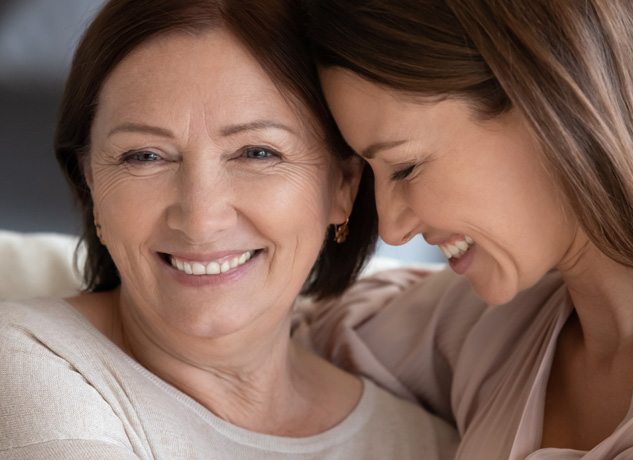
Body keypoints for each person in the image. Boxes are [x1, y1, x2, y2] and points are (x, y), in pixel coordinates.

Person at [0, 0, 460, 458]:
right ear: (91, 185)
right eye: (145, 156)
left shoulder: (429, 441)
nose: (201, 221)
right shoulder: (28, 364)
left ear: (343, 185)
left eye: (257, 153)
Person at [303, 0, 633, 458]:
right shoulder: (493, 329)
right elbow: (283, 334)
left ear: (550, 98)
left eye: (405, 168)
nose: (390, 230)